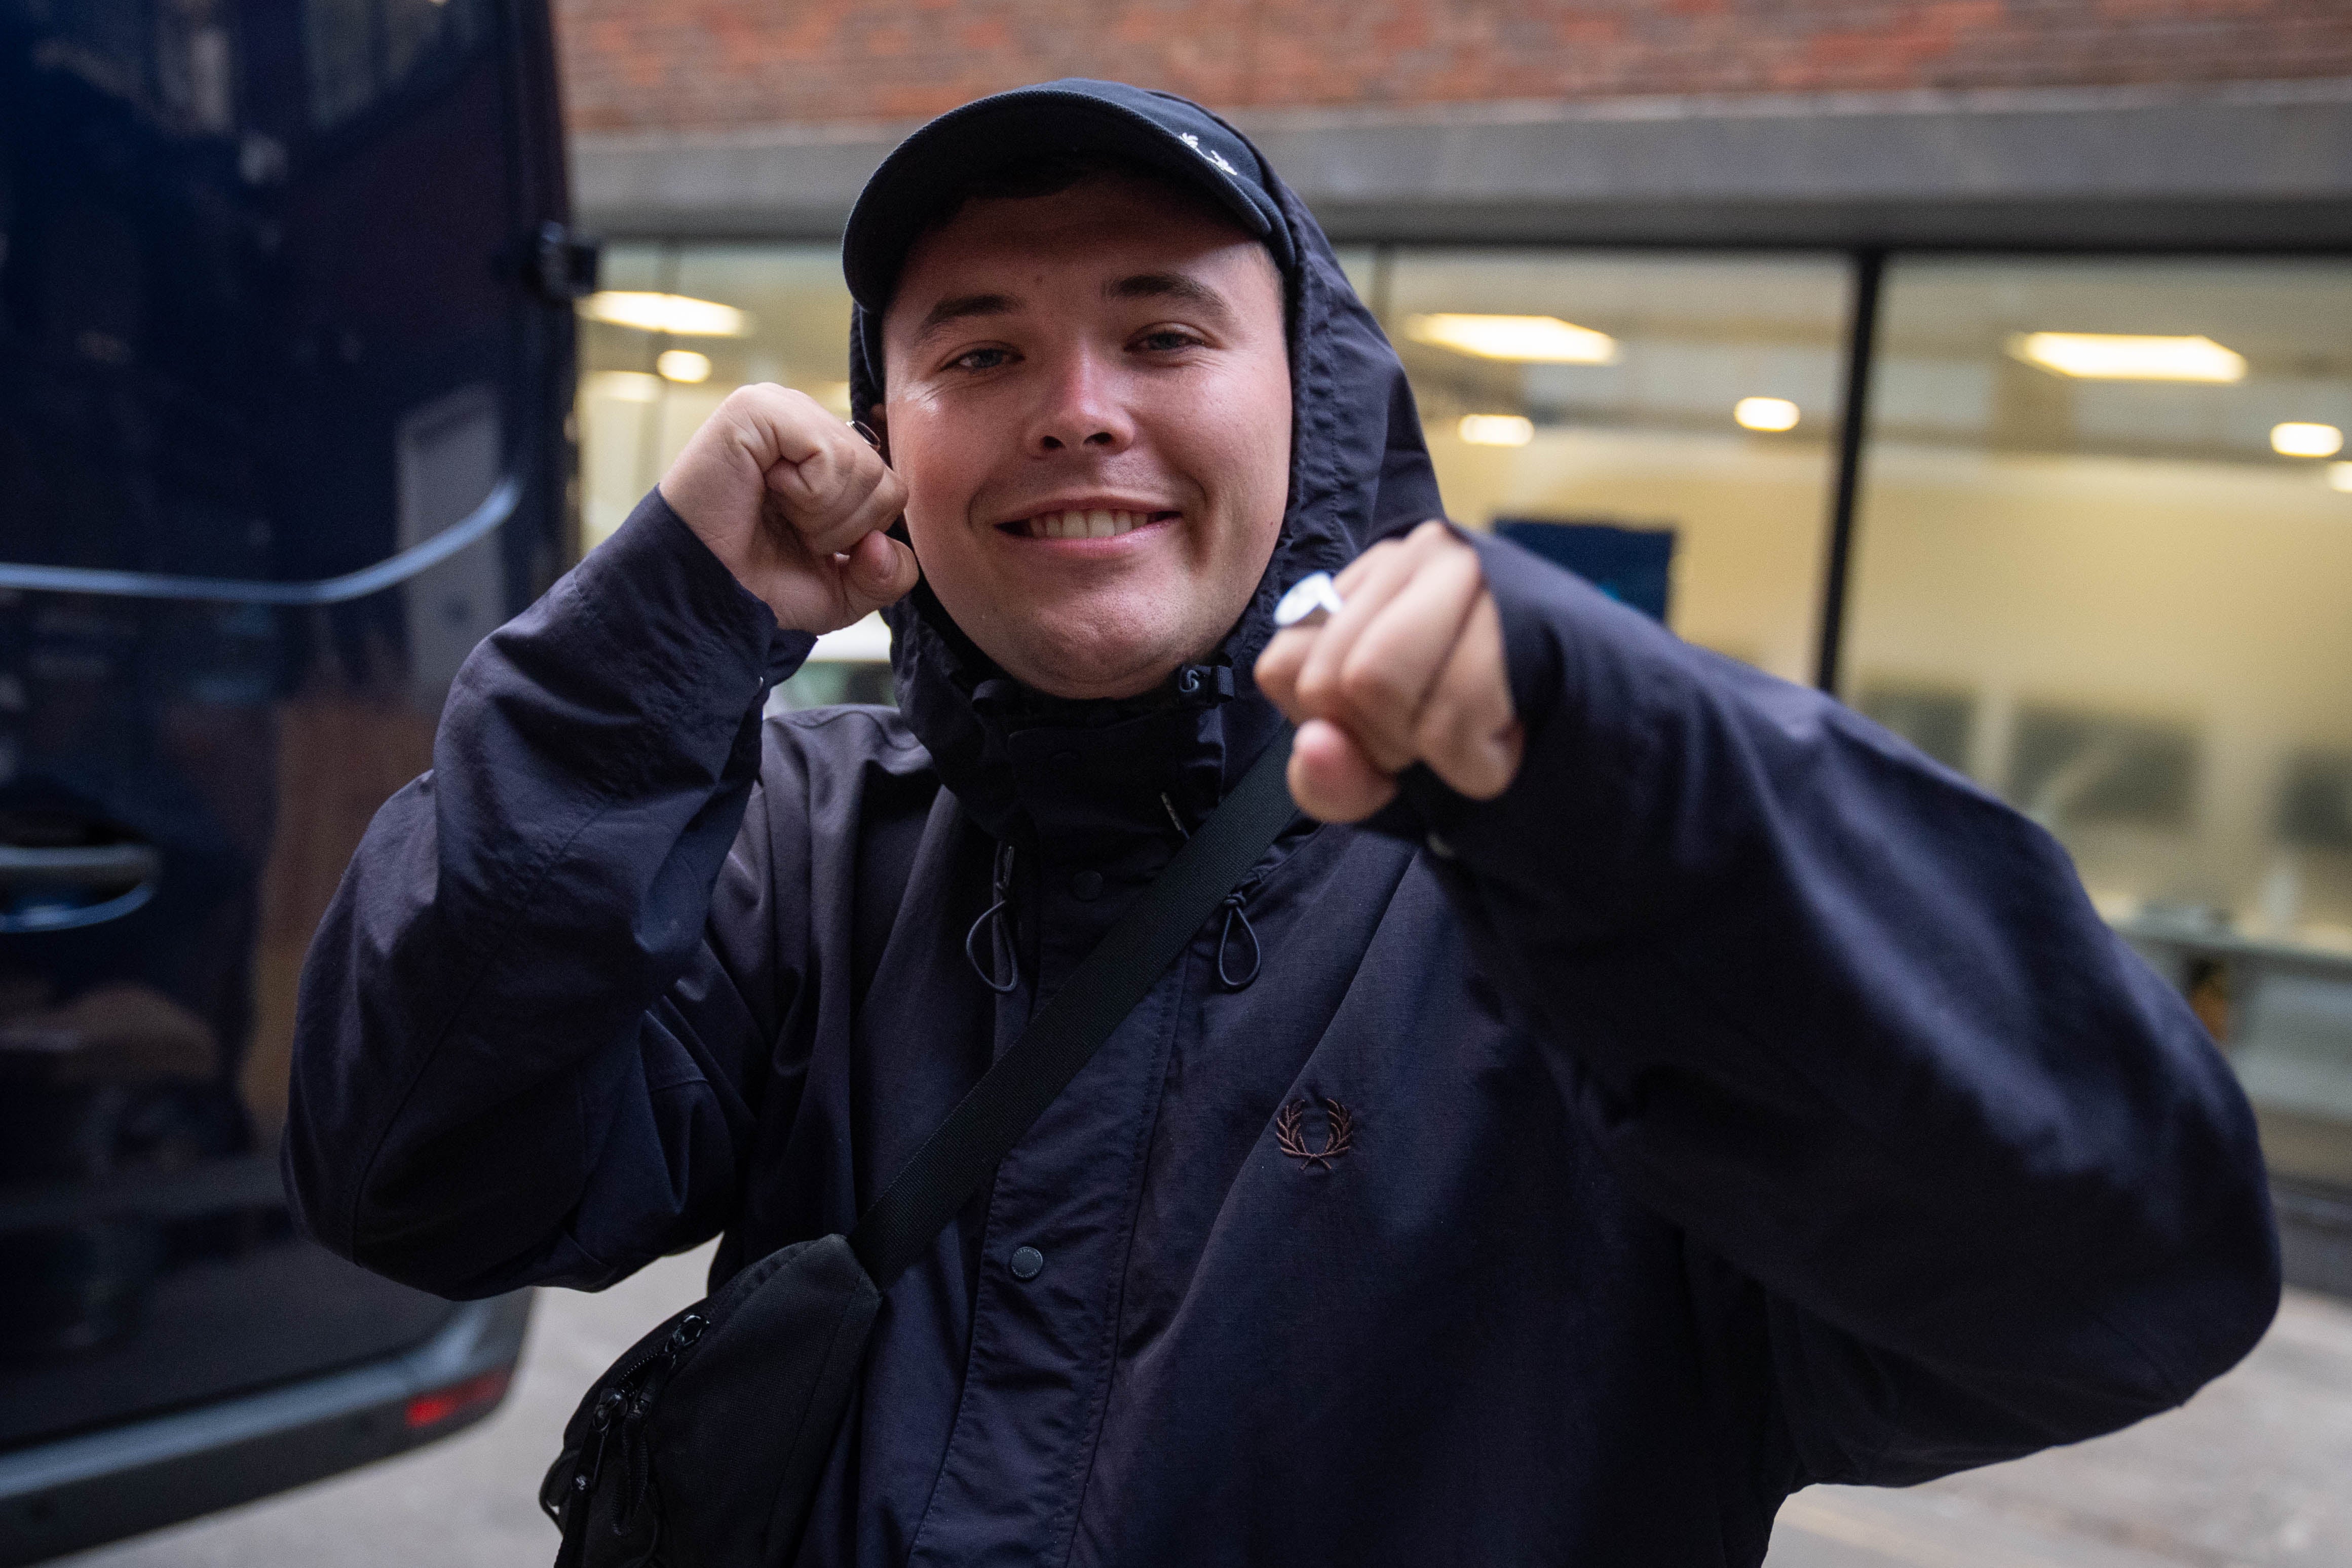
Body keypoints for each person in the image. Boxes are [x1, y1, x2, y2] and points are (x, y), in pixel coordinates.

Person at [284, 80, 2279, 1566]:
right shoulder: (805, 846)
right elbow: (420, 1171)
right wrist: (646, 646)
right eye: (979, 351)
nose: (1074, 405)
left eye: (1163, 334)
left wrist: (1632, 784)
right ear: (890, 445)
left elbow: (2110, 1280)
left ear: (1314, 409)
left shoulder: (1577, 920)